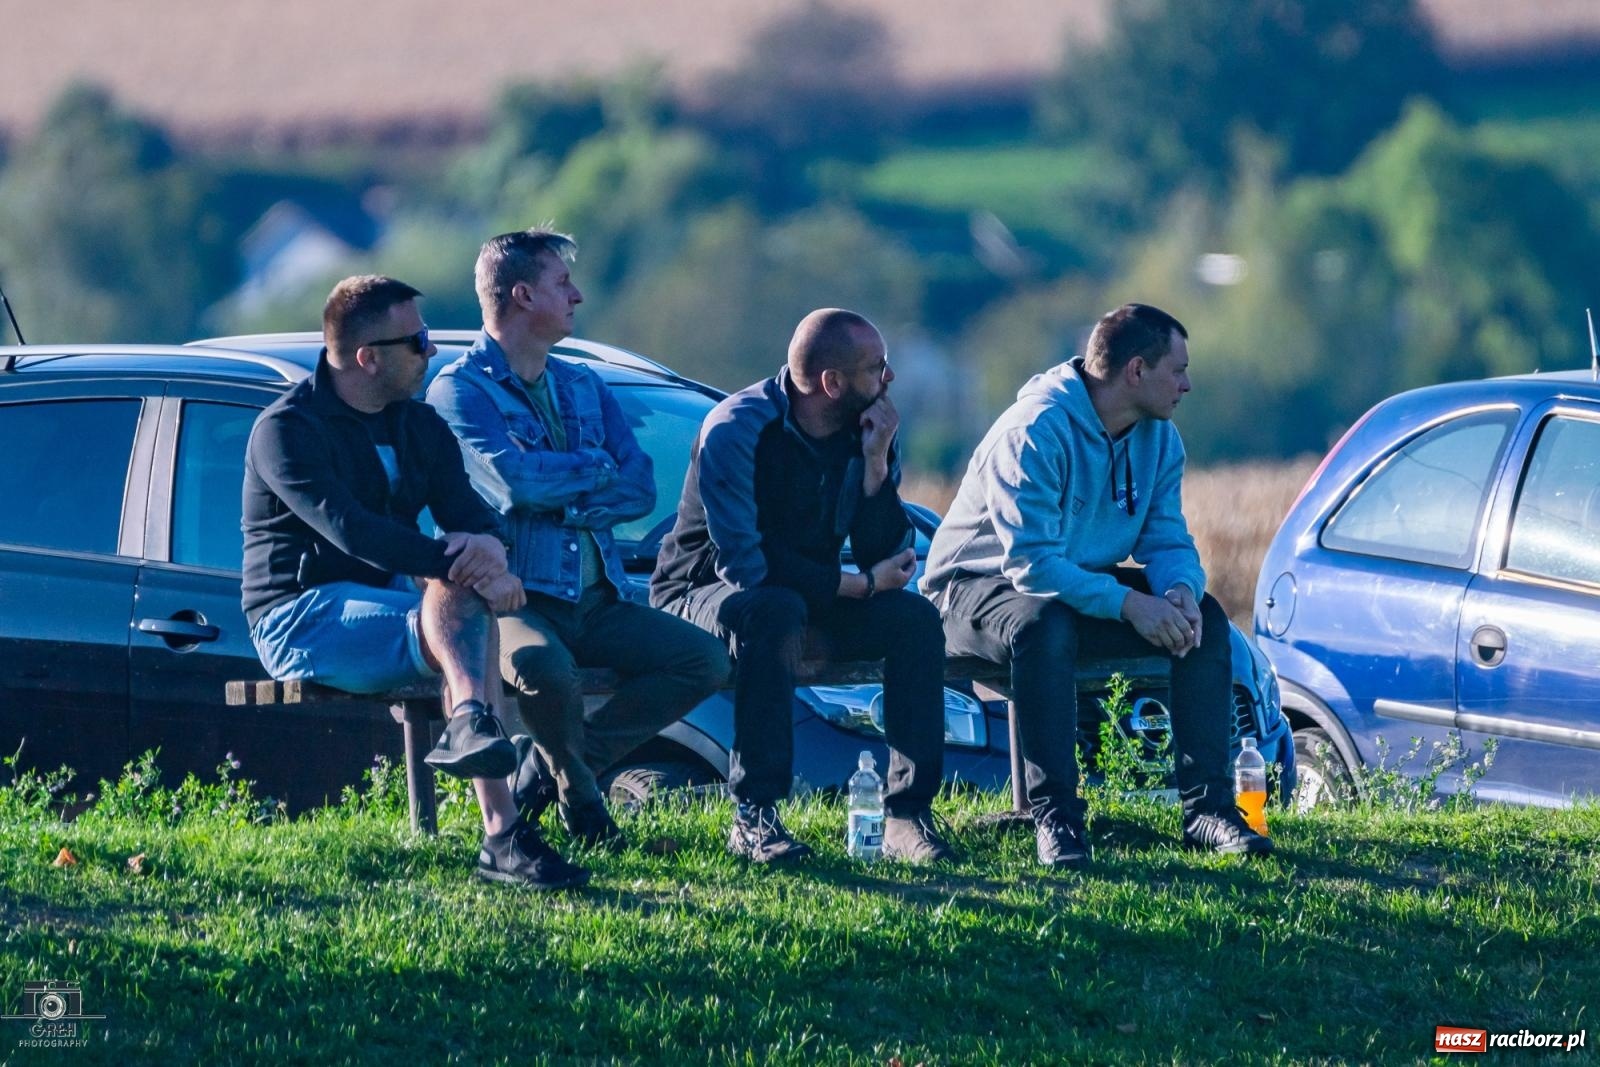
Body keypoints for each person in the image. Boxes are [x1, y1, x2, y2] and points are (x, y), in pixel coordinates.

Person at [242, 274, 590, 890]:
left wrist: (488, 551)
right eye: (418, 342)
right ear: (366, 357)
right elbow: (352, 532)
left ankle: (479, 751)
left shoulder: (417, 424)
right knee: (456, 594)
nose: (432, 352)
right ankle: (500, 827)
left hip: (404, 603)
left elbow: (470, 514)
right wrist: (463, 563)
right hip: (301, 614)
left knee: (459, 590)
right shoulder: (286, 430)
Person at [921, 302, 1273, 868]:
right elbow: (1031, 565)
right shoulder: (1035, 431)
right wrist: (1132, 604)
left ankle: (1208, 810)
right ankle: (1055, 818)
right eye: (1177, 370)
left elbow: (1164, 538)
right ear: (1136, 371)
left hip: (1071, 585)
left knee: (1204, 618)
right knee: (1043, 624)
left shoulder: (1160, 438)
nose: (1186, 384)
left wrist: (1177, 590)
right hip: (972, 589)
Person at [427, 229, 730, 850]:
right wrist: (593, 473)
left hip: (599, 597)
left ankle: (557, 771)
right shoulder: (457, 391)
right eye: (562, 284)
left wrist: (558, 487)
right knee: (546, 669)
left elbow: (641, 490)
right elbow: (510, 484)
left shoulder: (586, 385)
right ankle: (584, 801)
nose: (578, 295)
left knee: (702, 660)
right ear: (521, 295)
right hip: (514, 600)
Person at [651, 308, 954, 865]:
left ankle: (907, 814)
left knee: (913, 622)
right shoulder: (737, 428)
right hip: (701, 593)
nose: (889, 379)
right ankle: (755, 816)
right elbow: (745, 566)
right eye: (877, 367)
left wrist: (874, 469)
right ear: (831, 383)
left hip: (808, 594)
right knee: (772, 611)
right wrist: (858, 586)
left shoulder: (869, 429)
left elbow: (886, 554)